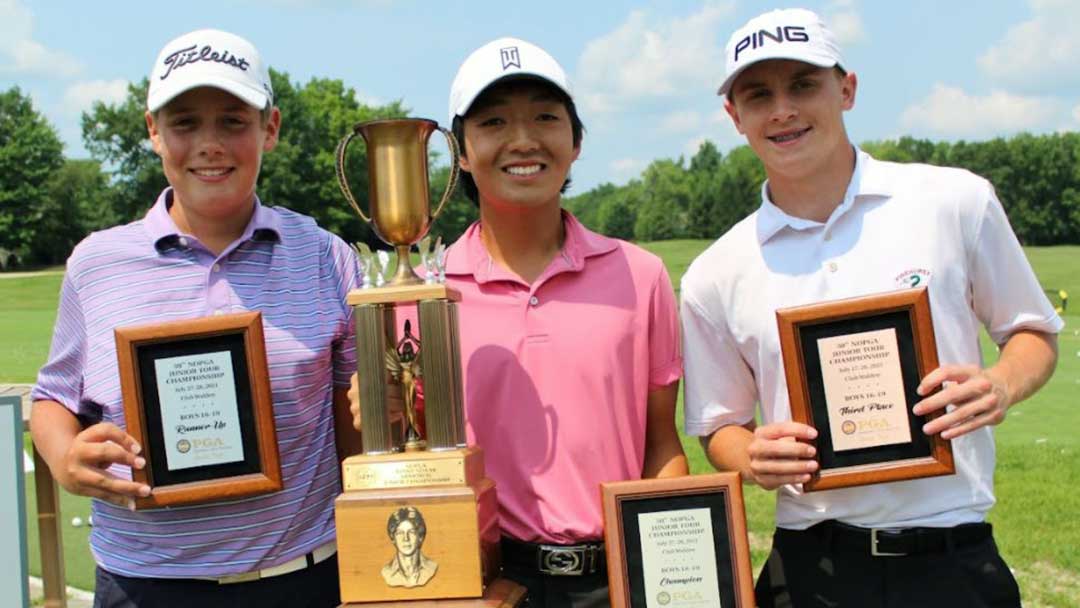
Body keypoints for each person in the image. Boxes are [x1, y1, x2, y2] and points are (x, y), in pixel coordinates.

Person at [680, 8, 1062, 607]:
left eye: (803, 85)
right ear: (735, 117)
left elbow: (1033, 335)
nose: (783, 109)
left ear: (846, 89)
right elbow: (719, 424)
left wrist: (1000, 384)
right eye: (759, 95)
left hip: (952, 554)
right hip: (810, 564)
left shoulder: (953, 200)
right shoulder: (715, 272)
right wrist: (753, 457)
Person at [351, 37, 688, 607]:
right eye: (495, 121)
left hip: (621, 578)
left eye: (545, 117)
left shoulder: (640, 275)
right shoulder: (420, 294)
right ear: (459, 152)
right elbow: (414, 457)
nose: (523, 140)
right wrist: (381, 411)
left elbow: (660, 445)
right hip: (481, 580)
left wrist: (682, 570)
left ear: (576, 141)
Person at [30, 29, 357, 608]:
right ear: (153, 132)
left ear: (271, 128)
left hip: (303, 577)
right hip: (142, 584)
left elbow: (358, 422)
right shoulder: (98, 263)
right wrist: (63, 457)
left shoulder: (326, 255)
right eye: (184, 123)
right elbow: (54, 396)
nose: (209, 144)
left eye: (233, 121)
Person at [381, 507, 439, 588]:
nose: (406, 538)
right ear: (393, 538)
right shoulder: (387, 572)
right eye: (400, 533)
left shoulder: (431, 567)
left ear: (420, 537)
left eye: (411, 532)